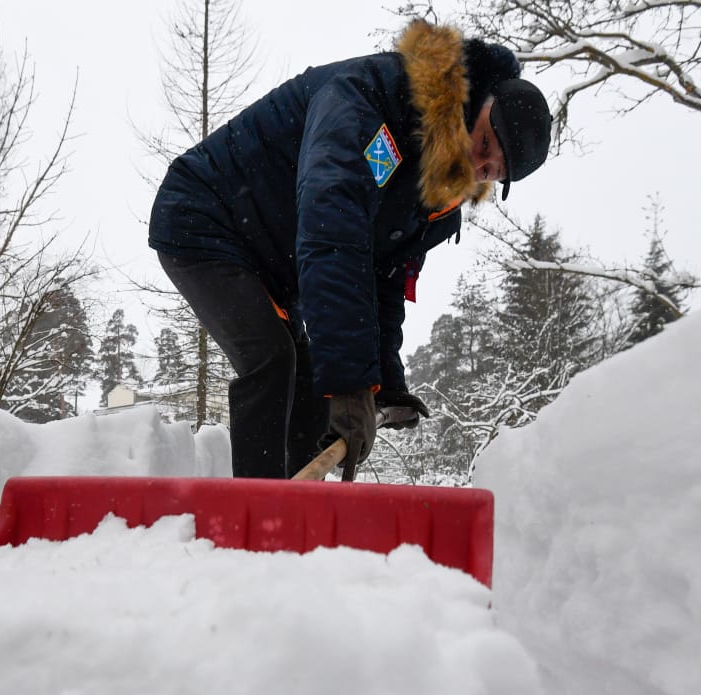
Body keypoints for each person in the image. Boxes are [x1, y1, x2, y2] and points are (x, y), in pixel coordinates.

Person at [149, 19, 552, 480]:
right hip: (204, 216)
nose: (476, 165)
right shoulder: (373, 102)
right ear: (477, 100)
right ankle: (254, 520)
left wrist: (383, 382)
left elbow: (382, 274)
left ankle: (297, 520)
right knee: (272, 360)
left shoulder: (430, 182)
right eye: (483, 144)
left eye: (490, 172)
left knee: (304, 383)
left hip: (271, 255)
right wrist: (349, 382)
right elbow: (332, 231)